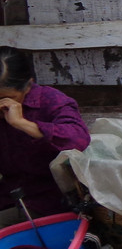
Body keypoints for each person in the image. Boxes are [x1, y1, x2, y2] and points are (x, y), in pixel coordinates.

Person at [0, 47, 92, 223]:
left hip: (50, 203)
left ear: (28, 86)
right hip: (8, 196)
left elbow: (78, 138)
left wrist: (22, 124)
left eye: (7, 98)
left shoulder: (51, 101)